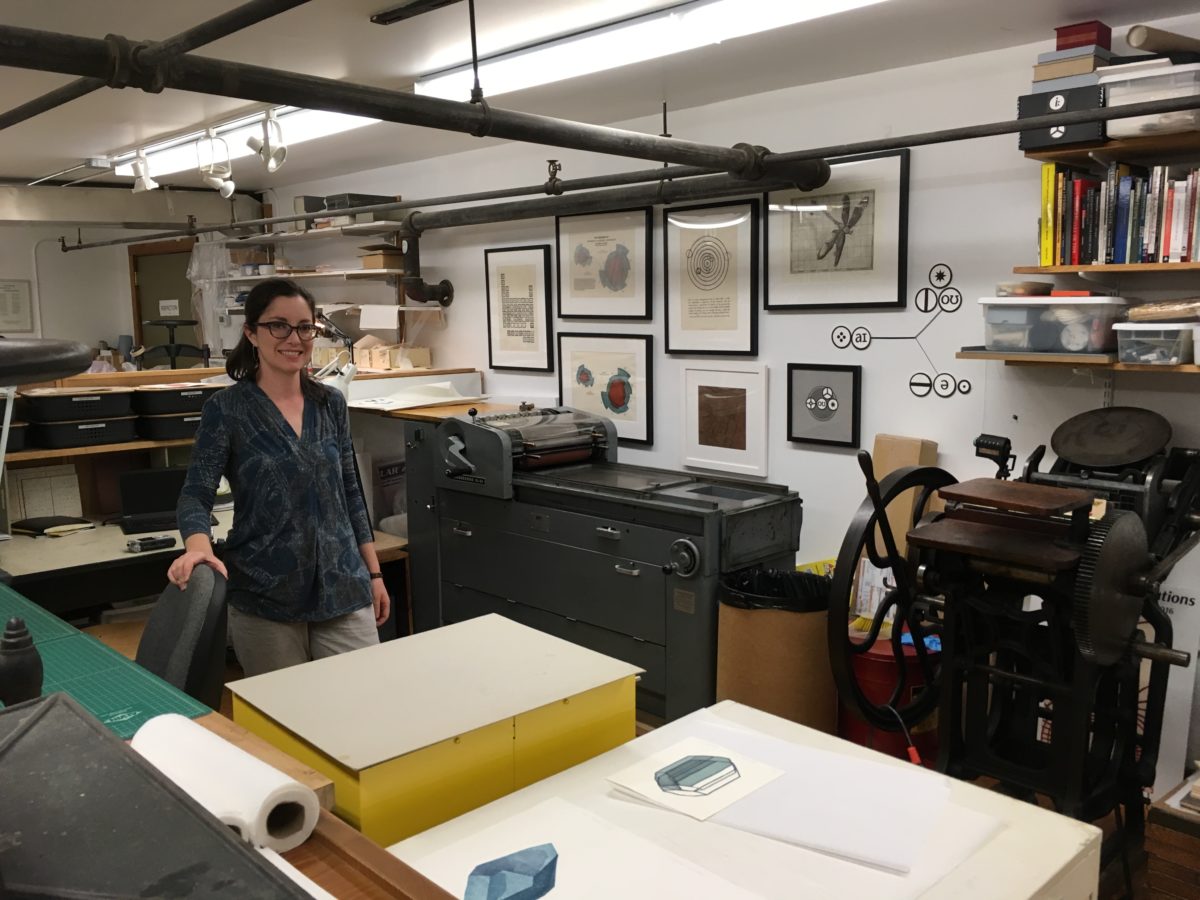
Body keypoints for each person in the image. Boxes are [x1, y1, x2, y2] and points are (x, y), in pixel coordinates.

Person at [169, 278, 389, 676]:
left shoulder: (330, 403)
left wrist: (373, 573)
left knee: (363, 708)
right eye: (279, 325)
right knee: (286, 722)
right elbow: (195, 495)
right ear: (251, 333)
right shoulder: (227, 409)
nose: (295, 338)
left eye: (305, 327)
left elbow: (350, 493)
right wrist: (198, 549)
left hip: (343, 586)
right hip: (266, 595)